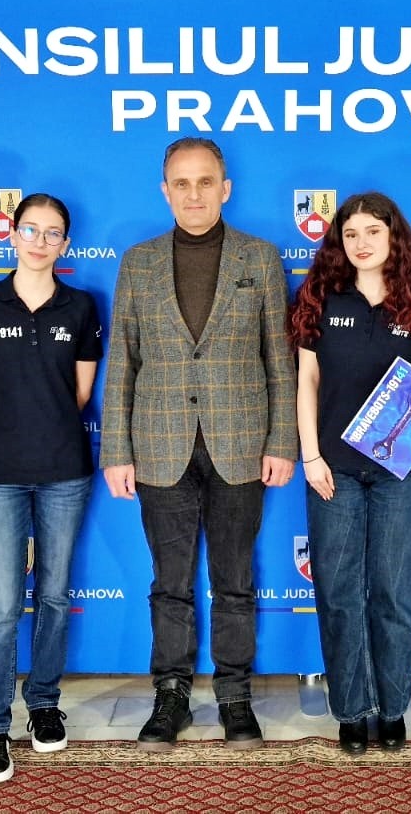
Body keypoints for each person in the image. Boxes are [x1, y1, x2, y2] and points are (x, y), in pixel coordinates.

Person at [100, 136, 296, 751]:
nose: (194, 194)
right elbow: (122, 361)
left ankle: (235, 697)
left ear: (225, 188)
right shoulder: (138, 262)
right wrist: (116, 450)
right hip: (158, 445)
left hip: (242, 443)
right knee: (170, 583)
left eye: (205, 182)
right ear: (165, 191)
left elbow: (280, 360)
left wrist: (282, 441)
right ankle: (171, 695)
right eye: (181, 183)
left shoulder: (260, 258)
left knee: (235, 579)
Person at [288, 192, 411, 756]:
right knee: (338, 592)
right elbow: (306, 382)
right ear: (339, 241)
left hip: (400, 471)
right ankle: (352, 711)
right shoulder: (320, 297)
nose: (361, 242)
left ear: (393, 236)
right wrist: (311, 456)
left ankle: (393, 707)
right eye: (350, 233)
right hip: (334, 470)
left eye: (373, 231)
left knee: (397, 592)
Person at [0, 194, 101, 784]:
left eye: (53, 232)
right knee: (0, 607)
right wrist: (0, 441)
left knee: (56, 596)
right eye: (31, 230)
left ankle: (43, 704)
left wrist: (44, 433)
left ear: (65, 243)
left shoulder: (80, 306)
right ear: (11, 234)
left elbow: (80, 393)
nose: (41, 241)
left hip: (65, 471)